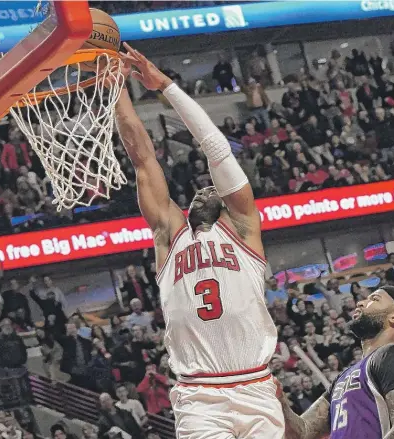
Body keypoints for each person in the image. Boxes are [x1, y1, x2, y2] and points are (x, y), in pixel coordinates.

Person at [115, 43, 283, 439]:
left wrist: (166, 87)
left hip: (256, 385)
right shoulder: (170, 234)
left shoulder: (243, 228)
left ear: (224, 205)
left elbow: (217, 149)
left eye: (212, 188)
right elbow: (142, 159)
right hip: (199, 393)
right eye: (198, 190)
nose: (204, 189)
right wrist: (117, 90)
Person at [276, 285, 394, 438]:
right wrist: (280, 400)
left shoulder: (392, 356)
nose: (360, 303)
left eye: (374, 299)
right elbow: (302, 432)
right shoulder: (344, 376)